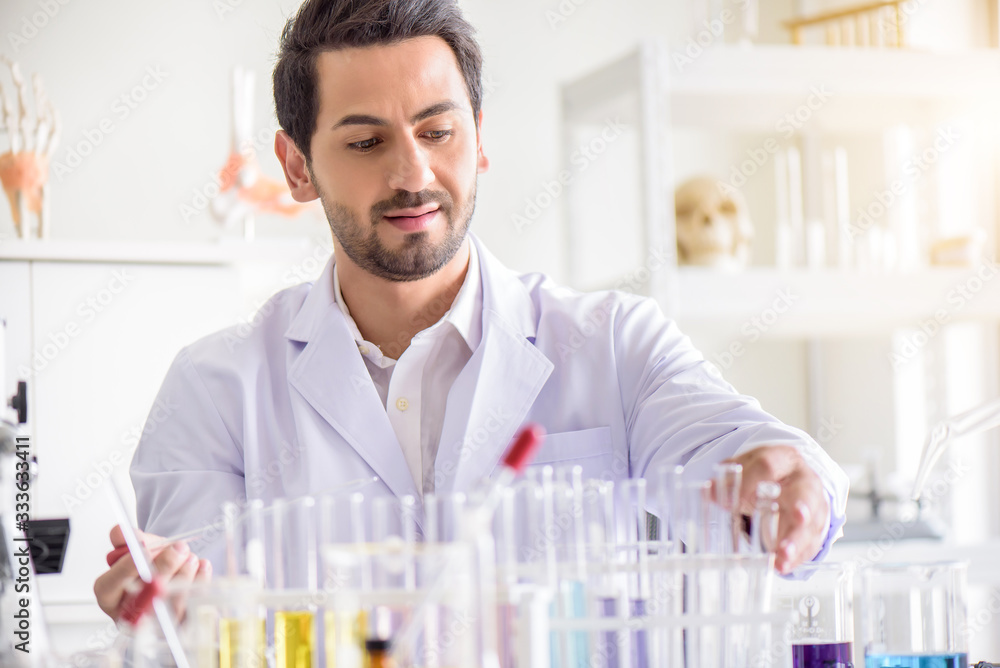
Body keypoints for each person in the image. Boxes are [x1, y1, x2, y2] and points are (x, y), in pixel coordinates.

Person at [94, 0, 848, 621]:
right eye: (365, 141)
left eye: (438, 131)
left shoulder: (611, 342)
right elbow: (188, 619)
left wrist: (787, 480)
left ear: (481, 139)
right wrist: (161, 609)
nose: (412, 172)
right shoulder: (214, 388)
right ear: (297, 167)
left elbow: (747, 458)